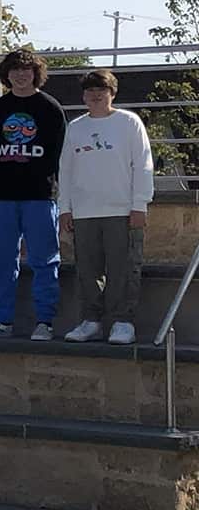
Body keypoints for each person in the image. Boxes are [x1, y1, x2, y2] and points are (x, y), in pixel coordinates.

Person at [58, 69, 153, 345]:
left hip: (122, 210)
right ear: (84, 96)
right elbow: (66, 170)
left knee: (123, 269)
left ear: (112, 93)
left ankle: (123, 322)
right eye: (90, 91)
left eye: (102, 91)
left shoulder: (129, 123)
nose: (96, 96)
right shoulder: (75, 128)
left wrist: (139, 204)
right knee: (87, 270)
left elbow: (143, 165)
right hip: (85, 211)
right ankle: (91, 320)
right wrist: (65, 208)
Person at [0, 47, 67, 341]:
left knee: (45, 260)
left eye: (26, 70)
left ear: (36, 74)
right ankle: (2, 321)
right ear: (7, 74)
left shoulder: (51, 109)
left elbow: (56, 156)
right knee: (4, 261)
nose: (20, 75)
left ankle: (45, 321)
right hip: (3, 196)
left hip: (40, 196)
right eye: (14, 70)